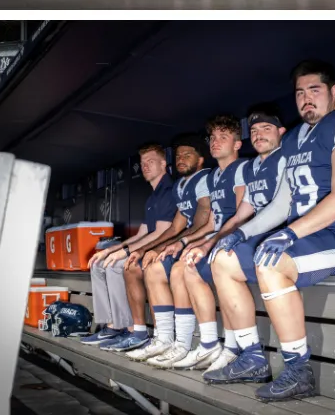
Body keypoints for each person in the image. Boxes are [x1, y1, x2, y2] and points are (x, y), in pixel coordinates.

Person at [204, 60, 335, 402]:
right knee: (223, 259)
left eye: (314, 90)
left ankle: (298, 370)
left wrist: (290, 234)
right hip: (310, 238)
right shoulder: (296, 138)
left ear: (333, 91)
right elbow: (282, 206)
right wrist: (242, 233)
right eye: (300, 93)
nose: (306, 99)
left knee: (271, 262)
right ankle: (252, 358)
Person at [189, 105, 291, 378]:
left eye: (266, 129)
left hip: (283, 239)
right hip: (257, 239)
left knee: (221, 260)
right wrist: (214, 241)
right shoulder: (256, 165)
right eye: (254, 131)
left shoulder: (284, 158)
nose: (258, 135)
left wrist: (226, 239)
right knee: (215, 256)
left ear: (282, 132)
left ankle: (242, 351)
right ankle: (241, 351)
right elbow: (241, 213)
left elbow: (280, 209)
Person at [146, 116, 246, 370]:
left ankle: (225, 346)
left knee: (185, 267)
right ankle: (194, 343)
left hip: (238, 241)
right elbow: (209, 223)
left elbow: (241, 217)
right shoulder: (214, 178)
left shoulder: (241, 168)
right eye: (213, 138)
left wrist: (202, 243)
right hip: (215, 240)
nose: (216, 142)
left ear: (237, 143)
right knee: (179, 266)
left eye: (223, 137)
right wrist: (183, 243)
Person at [80, 142, 176, 353]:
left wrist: (124, 253)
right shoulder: (152, 196)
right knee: (99, 263)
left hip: (160, 252)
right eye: (142, 163)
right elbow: (142, 234)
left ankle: (130, 328)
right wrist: (111, 250)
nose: (145, 166)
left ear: (163, 164)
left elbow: (160, 234)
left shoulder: (168, 190)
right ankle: (111, 325)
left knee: (116, 265)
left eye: (151, 162)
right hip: (146, 248)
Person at [124, 136, 211, 362]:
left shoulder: (205, 178)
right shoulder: (181, 185)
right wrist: (154, 249)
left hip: (205, 243)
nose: (181, 159)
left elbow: (202, 222)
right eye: (178, 156)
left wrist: (176, 244)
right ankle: (163, 339)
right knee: (152, 268)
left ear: (200, 159)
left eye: (187, 155)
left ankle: (182, 343)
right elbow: (175, 227)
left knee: (178, 270)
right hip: (186, 244)